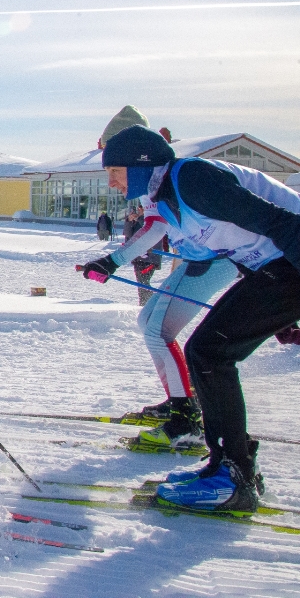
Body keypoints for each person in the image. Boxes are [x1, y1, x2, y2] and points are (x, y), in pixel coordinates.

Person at [99, 125, 300, 512]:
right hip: (277, 267)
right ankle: (226, 466)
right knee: (208, 352)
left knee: (210, 353)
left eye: (116, 172)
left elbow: (277, 222)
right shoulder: (170, 195)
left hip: (291, 259)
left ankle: (233, 477)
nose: (112, 183)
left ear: (142, 164)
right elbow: (241, 245)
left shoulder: (192, 178)